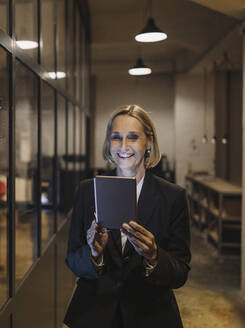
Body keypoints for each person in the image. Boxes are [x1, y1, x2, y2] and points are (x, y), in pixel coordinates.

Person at [64, 105, 191, 328]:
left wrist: (154, 256)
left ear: (148, 142)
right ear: (108, 143)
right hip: (94, 315)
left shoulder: (173, 197)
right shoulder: (87, 191)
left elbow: (180, 272)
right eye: (116, 138)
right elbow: (73, 259)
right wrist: (94, 254)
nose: (123, 146)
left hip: (151, 317)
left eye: (133, 137)